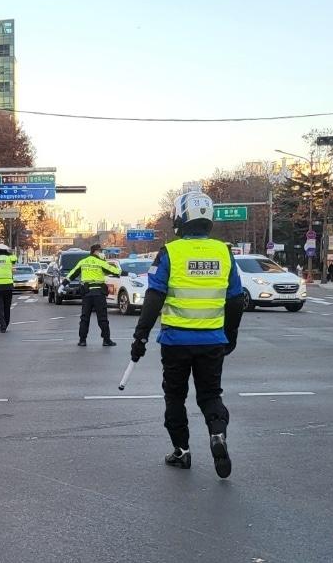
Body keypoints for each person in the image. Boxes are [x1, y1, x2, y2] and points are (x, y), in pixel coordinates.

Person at [130, 184, 245, 478]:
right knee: (210, 395)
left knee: (175, 397)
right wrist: (230, 335)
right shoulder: (224, 252)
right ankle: (217, 433)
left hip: (175, 341)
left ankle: (181, 451)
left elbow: (154, 296)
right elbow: (235, 299)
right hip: (212, 340)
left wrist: (140, 336)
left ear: (181, 217)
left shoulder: (170, 252)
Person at [69, 243, 120, 347]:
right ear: (96, 251)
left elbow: (72, 273)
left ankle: (82, 340)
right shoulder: (100, 262)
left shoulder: (83, 262)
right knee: (102, 318)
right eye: (101, 251)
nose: (102, 253)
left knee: (84, 318)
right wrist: (124, 273)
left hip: (87, 294)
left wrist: (63, 284)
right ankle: (106, 340)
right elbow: (115, 271)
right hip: (98, 294)